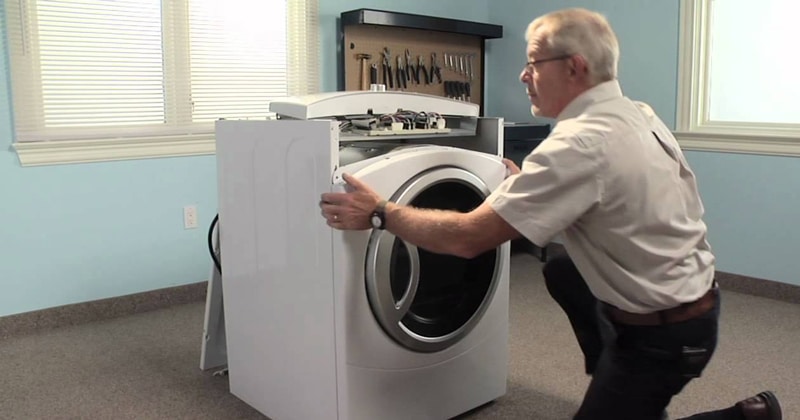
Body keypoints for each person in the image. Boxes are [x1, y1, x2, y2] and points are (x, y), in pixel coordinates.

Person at [319, 7, 782, 420]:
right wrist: (528, 182)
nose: (523, 75)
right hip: (695, 298)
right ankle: (626, 386)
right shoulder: (636, 113)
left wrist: (380, 211)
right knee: (563, 271)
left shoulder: (577, 144)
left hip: (664, 336)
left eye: (533, 63)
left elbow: (467, 239)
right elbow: (602, 187)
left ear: (574, 67)